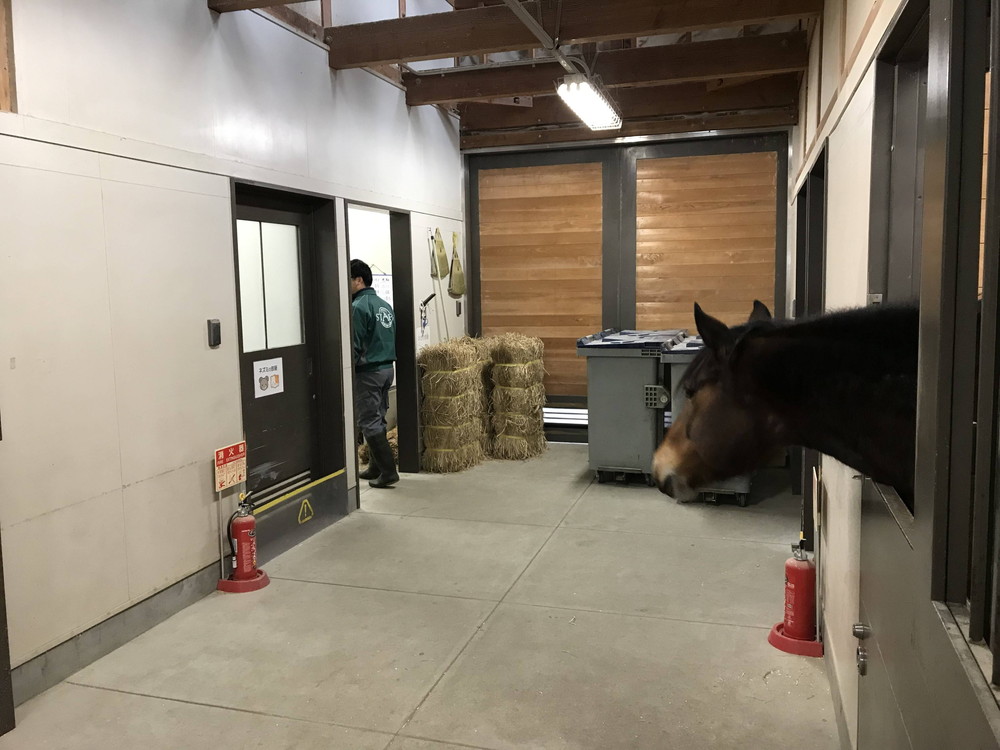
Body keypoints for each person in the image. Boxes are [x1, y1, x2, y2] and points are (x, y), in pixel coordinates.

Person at [349, 259, 399, 488]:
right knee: (378, 418)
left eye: (348, 280)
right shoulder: (383, 304)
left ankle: (388, 471)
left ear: (358, 280)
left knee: (369, 420)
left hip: (368, 371)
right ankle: (375, 467)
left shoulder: (358, 307)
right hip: (387, 369)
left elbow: (355, 343)